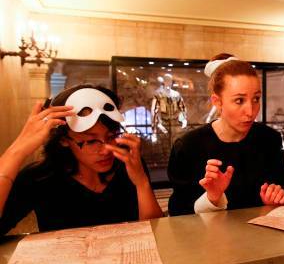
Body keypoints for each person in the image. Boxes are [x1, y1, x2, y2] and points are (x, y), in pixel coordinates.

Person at [0, 85, 163, 234]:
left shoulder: (127, 163)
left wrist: (141, 182)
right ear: (64, 140)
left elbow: (155, 231)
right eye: (91, 141)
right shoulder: (40, 177)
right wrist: (16, 151)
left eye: (111, 136)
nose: (106, 149)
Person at [167, 54, 284, 215]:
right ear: (217, 102)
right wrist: (212, 197)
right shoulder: (188, 147)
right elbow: (178, 215)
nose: (251, 111)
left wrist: (275, 200)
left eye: (256, 99)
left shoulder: (269, 140)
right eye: (239, 100)